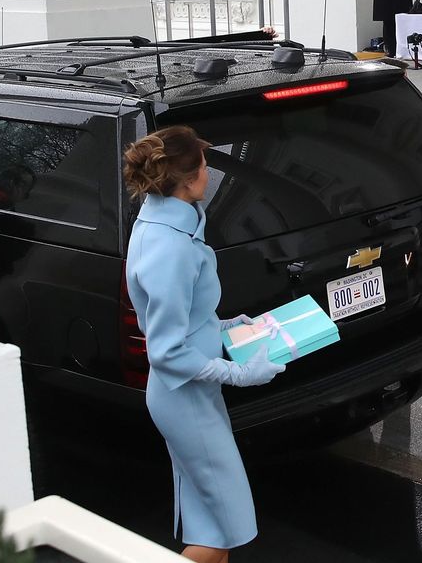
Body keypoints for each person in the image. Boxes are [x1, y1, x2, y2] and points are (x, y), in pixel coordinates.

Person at [123, 125, 285, 563]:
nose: (209, 170)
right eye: (204, 164)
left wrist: (227, 327)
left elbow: (186, 320)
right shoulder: (170, 247)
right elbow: (166, 350)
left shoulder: (162, 220)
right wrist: (242, 375)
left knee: (210, 528)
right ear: (188, 178)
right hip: (184, 400)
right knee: (222, 533)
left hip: (190, 395)